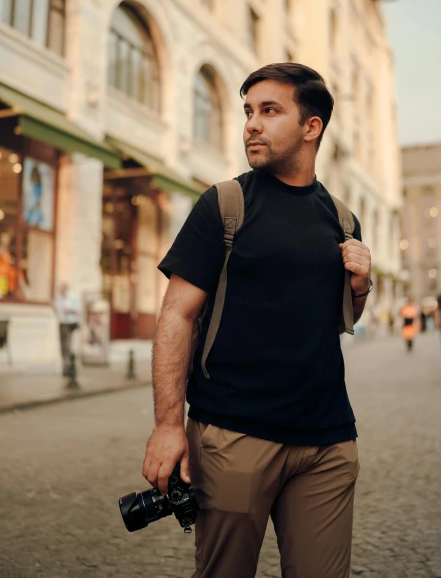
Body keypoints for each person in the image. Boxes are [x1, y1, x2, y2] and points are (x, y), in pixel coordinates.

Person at [142, 63, 372, 578]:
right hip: (233, 434)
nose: (252, 123)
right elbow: (176, 315)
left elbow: (337, 320)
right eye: (248, 111)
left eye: (270, 111)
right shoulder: (224, 204)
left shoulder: (343, 218)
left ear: (311, 126)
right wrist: (166, 424)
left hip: (328, 441)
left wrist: (360, 287)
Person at [54, 282, 81, 376]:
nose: (60, 290)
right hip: (62, 322)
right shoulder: (58, 298)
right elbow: (56, 308)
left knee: (67, 344)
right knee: (63, 346)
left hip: (70, 323)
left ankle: (69, 366)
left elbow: (78, 310)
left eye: (62, 288)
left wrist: (69, 310)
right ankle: (66, 365)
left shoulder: (73, 297)